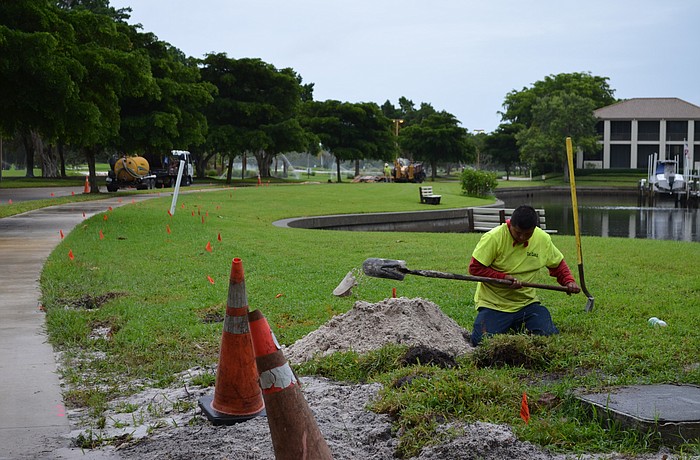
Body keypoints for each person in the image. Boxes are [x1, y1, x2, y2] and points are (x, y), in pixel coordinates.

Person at [468, 205, 580, 346]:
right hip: (494, 305)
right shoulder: (493, 237)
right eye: (518, 232)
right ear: (510, 224)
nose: (522, 237)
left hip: (526, 304)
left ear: (534, 229)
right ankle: (506, 324)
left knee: (547, 336)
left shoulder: (542, 239)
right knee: (481, 342)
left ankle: (518, 324)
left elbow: (557, 264)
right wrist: (502, 278)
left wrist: (568, 281)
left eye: (527, 234)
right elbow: (475, 268)